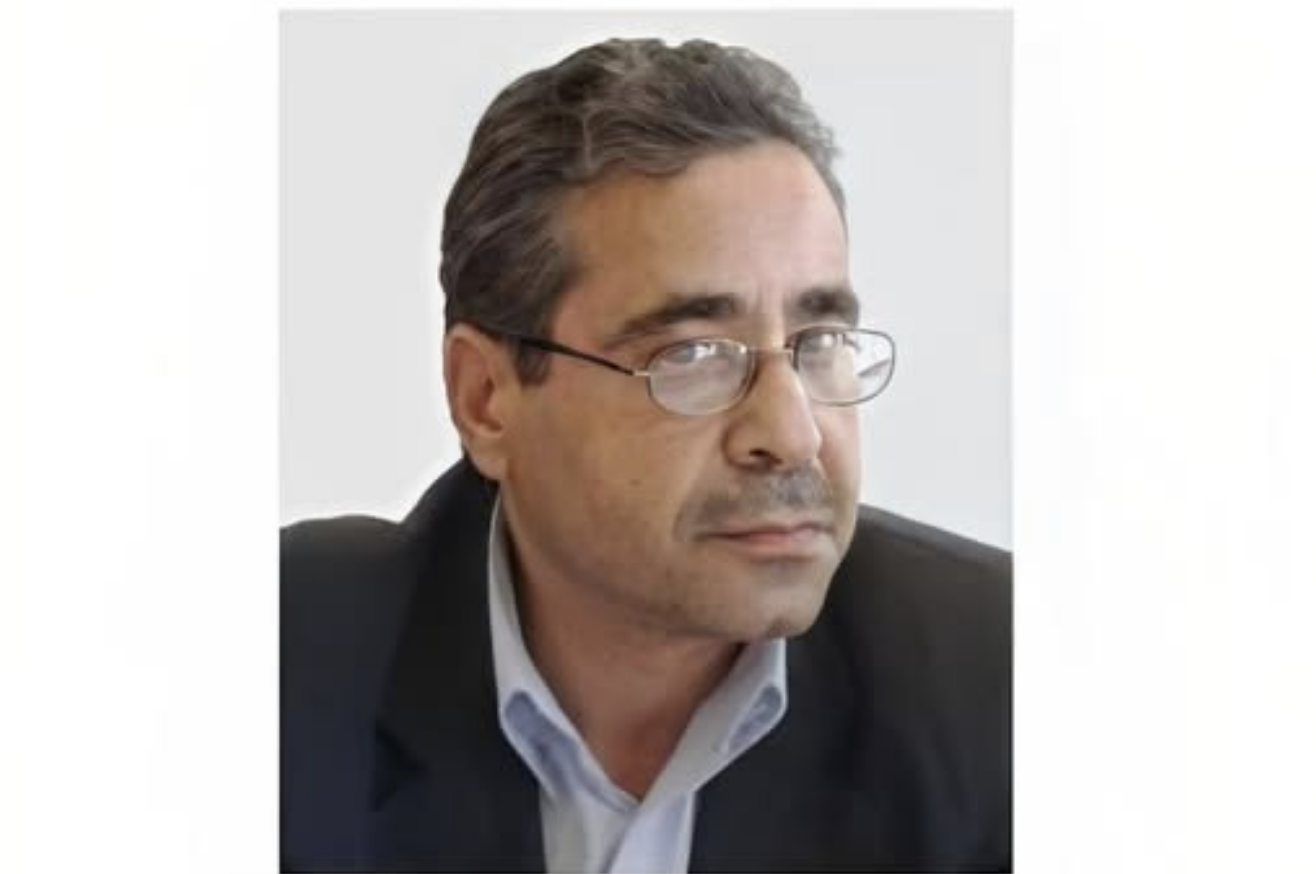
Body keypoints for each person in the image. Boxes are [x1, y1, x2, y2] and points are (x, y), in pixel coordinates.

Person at [281, 36, 1011, 873]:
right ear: (485, 399)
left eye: (820, 342)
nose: (793, 434)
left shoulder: (1006, 690)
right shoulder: (274, 667)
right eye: (693, 355)